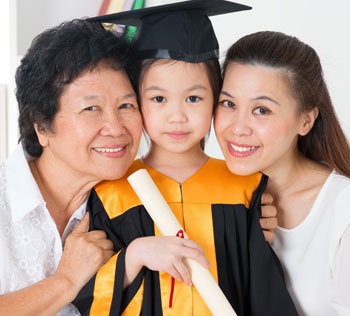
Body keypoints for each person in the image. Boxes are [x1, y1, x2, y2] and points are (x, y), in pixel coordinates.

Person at [73, 2, 297, 315]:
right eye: (158, 98)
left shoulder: (245, 190)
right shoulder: (111, 194)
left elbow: (265, 294)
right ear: (136, 100)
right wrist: (132, 257)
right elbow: (88, 297)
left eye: (194, 98)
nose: (177, 116)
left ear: (216, 100)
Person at [0, 19, 143, 315]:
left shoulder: (134, 200)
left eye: (126, 106)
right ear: (41, 125)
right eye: (91, 108)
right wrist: (66, 280)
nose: (116, 128)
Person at [214, 30, 350, 315]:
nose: (238, 128)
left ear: (305, 120)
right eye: (228, 104)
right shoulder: (212, 199)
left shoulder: (342, 212)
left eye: (261, 110)